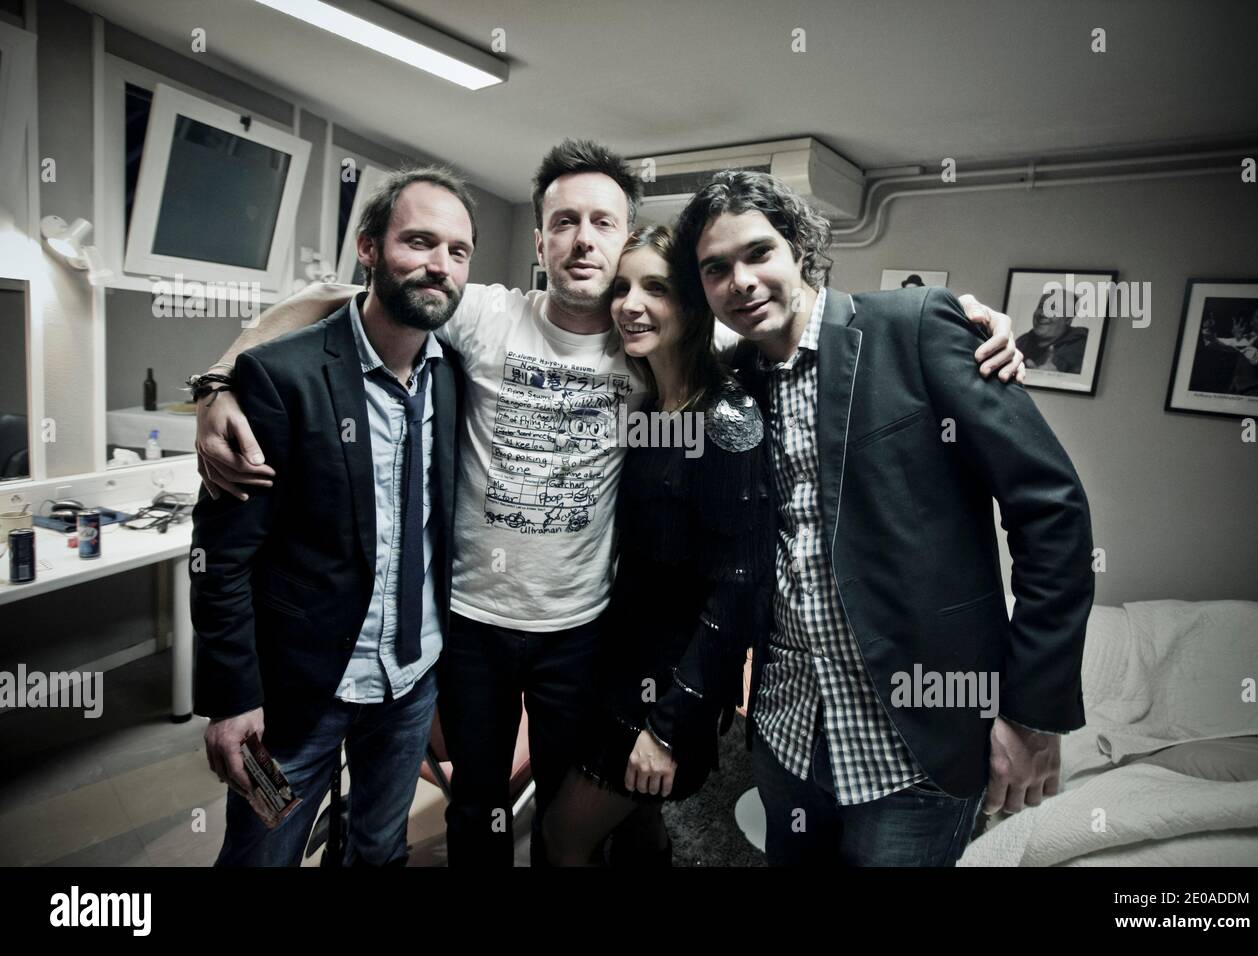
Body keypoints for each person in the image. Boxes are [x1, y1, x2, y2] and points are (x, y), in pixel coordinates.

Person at [192, 140, 1025, 866]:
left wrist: (959, 317)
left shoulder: (659, 336)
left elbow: (790, 325)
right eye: (563, 221)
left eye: (603, 222)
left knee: (561, 817)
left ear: (628, 237)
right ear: (541, 238)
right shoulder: (479, 313)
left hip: (576, 632)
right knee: (460, 809)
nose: (583, 240)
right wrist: (223, 375)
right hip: (465, 627)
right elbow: (337, 305)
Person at [671, 170, 1094, 866]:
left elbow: (1052, 510)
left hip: (914, 742)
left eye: (757, 253)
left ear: (799, 248)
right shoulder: (733, 385)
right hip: (786, 730)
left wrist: (1032, 713)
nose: (740, 281)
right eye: (716, 269)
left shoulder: (913, 328)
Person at [192, 165, 471, 865]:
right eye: (419, 241)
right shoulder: (280, 376)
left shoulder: (459, 376)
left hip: (409, 688)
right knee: (261, 852)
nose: (439, 264)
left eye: (458, 250)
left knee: (379, 849)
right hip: (289, 703)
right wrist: (231, 699)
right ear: (368, 249)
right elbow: (221, 557)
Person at [542, 226, 772, 866]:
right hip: (616, 658)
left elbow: (739, 588)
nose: (630, 304)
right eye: (621, 288)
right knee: (635, 827)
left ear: (695, 304)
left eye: (657, 288)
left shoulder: (724, 418)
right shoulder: (649, 403)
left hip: (670, 685)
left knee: (562, 836)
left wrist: (671, 725)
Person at [1201, 305, 1258, 397]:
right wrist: (1208, 330)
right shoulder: (1246, 338)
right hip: (1235, 389)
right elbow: (1215, 344)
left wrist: (1239, 338)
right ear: (1251, 322)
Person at [1020, 289, 1089, 374]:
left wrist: (1057, 380)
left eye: (1053, 309)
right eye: (1041, 307)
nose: (1043, 314)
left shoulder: (1082, 350)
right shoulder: (1021, 342)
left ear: (1068, 319)